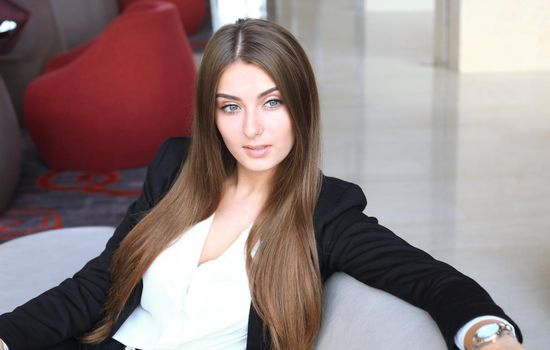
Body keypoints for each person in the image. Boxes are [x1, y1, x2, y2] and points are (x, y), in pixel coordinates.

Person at [0, 18, 525, 350]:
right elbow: (99, 285)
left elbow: (431, 280)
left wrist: (490, 336)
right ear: (212, 116)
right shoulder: (175, 168)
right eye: (231, 107)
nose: (252, 128)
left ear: (301, 108)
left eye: (271, 102)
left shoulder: (328, 211)